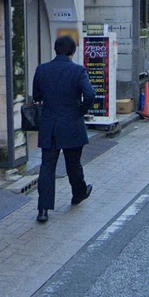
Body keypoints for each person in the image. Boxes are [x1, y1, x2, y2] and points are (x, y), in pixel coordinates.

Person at [32, 35, 96, 222]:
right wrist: (80, 110)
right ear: (72, 51)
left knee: (47, 166)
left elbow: (36, 96)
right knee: (73, 163)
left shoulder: (42, 70)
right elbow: (90, 95)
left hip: (49, 124)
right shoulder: (77, 71)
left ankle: (43, 210)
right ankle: (78, 193)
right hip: (72, 124)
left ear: (55, 50)